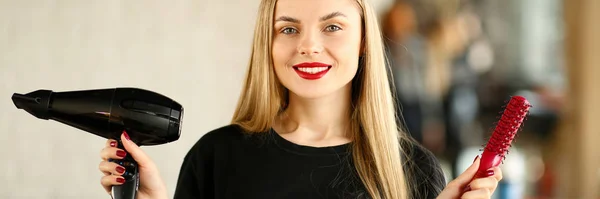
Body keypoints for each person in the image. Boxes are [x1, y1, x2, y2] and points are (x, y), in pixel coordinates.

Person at [98, 0, 502, 198]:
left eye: (332, 27)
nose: (308, 46)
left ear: (364, 41)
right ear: (267, 43)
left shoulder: (414, 173)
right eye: (288, 30)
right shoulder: (215, 159)